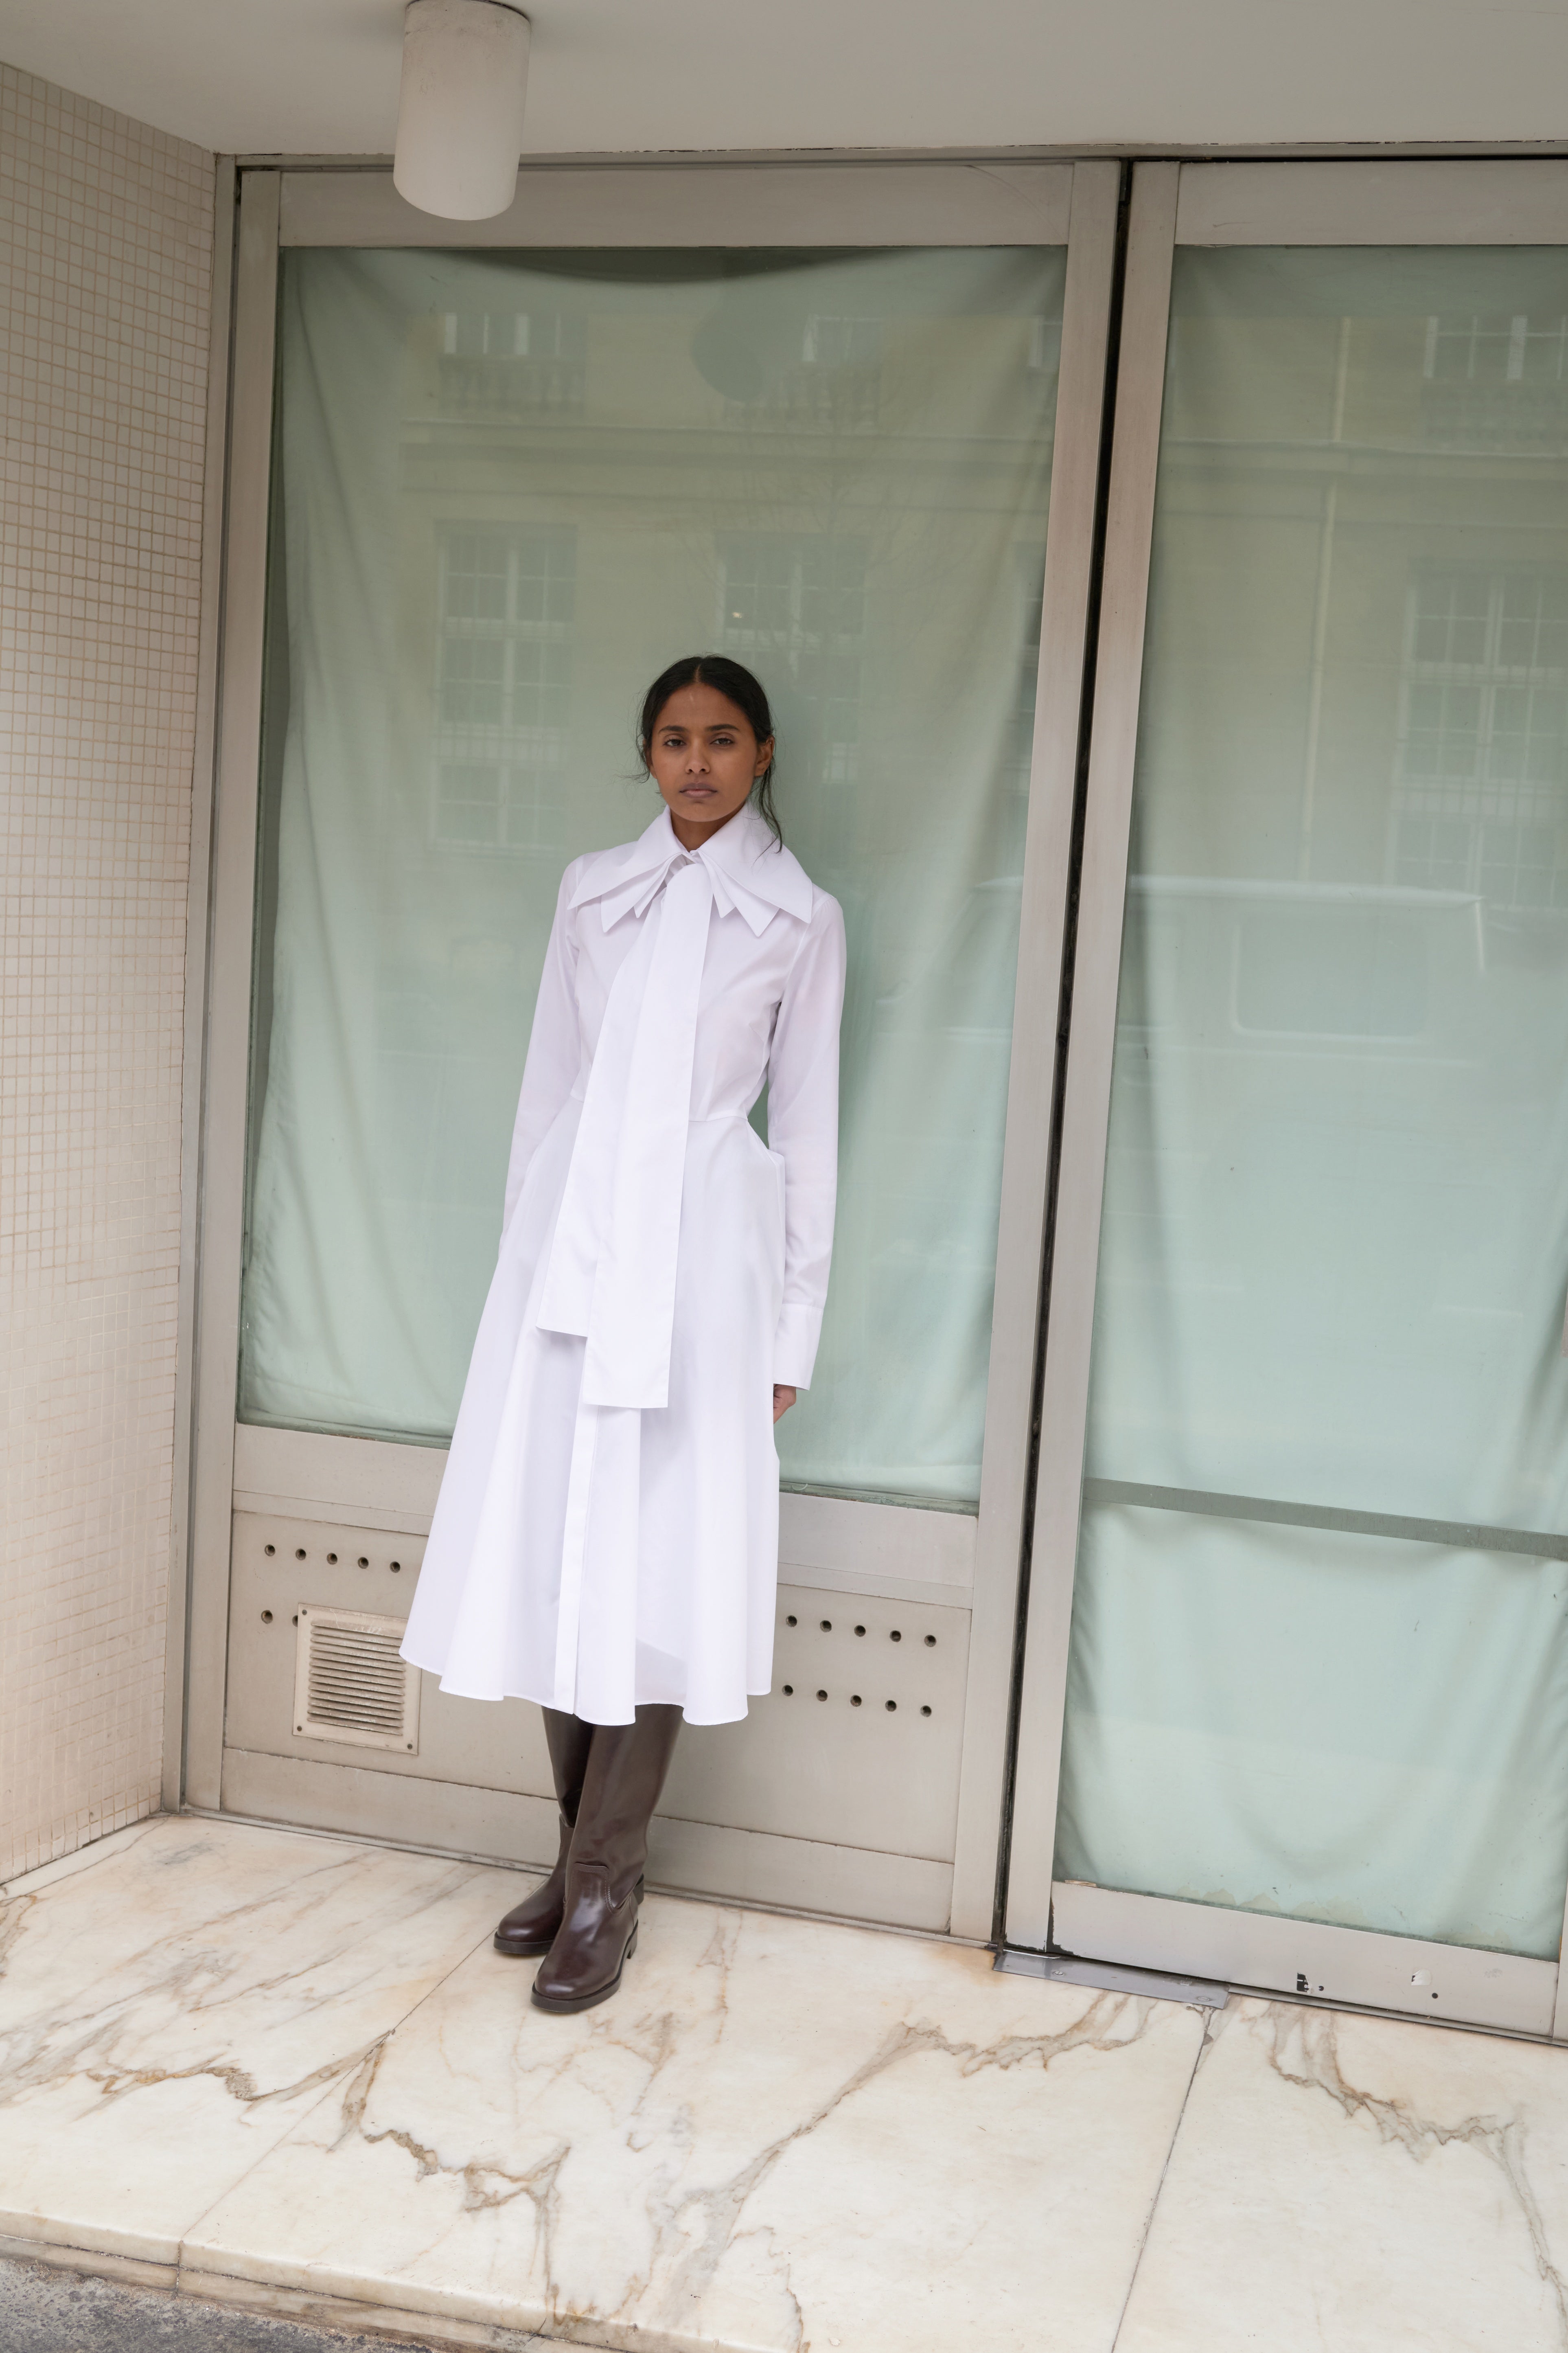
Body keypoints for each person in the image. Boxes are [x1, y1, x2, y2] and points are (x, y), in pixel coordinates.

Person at [401, 653, 847, 2014]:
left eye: (721, 739)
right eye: (672, 739)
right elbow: (550, 1085)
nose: (696, 761)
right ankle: (570, 1854)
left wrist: (792, 1329)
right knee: (560, 1549)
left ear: (763, 754)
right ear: (646, 756)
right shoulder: (594, 891)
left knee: (647, 1565)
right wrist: (515, 1268)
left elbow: (808, 1127)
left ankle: (610, 1873)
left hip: (702, 1265)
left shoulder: (797, 917)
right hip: (567, 1259)